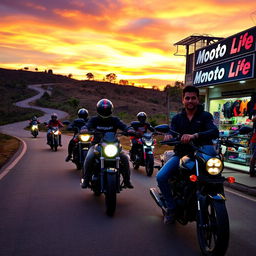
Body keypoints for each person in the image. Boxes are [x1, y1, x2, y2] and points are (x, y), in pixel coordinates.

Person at [156, 86, 219, 224]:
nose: (190, 101)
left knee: (214, 175)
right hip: (181, 154)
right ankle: (171, 208)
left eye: (193, 98)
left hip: (202, 154)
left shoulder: (205, 116)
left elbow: (214, 131)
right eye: (187, 98)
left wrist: (195, 136)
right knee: (161, 177)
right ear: (183, 100)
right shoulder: (178, 118)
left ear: (198, 99)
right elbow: (172, 132)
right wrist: (168, 136)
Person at [80, 99, 134, 189]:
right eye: (103, 110)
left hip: (114, 145)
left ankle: (127, 180)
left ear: (110, 110)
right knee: (89, 157)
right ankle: (86, 179)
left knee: (125, 158)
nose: (105, 112)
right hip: (96, 145)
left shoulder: (115, 120)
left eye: (107, 110)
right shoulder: (94, 119)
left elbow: (123, 126)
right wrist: (84, 128)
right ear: (99, 110)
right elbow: (88, 125)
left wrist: (129, 130)